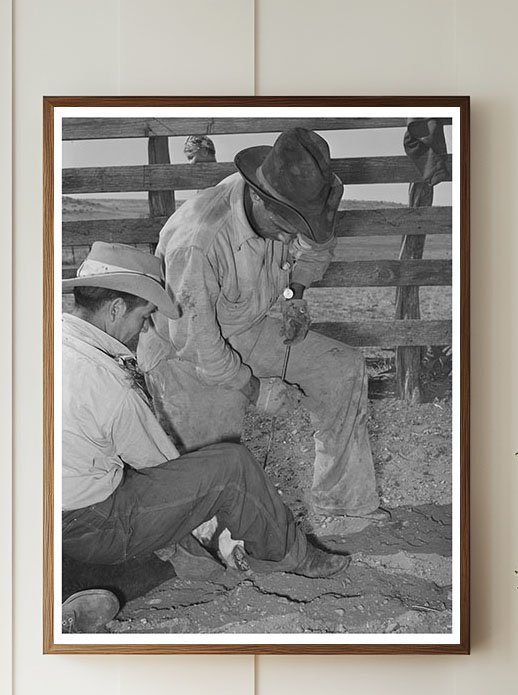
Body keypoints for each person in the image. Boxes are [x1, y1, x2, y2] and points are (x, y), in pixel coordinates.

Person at [60, 241, 350, 633]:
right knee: (230, 466)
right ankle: (292, 556)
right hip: (88, 523)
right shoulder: (108, 381)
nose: (144, 327)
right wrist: (219, 528)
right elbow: (162, 467)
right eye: (143, 315)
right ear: (114, 310)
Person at [138, 127, 387, 530]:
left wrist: (296, 294)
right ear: (257, 195)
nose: (293, 236)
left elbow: (316, 247)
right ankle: (200, 537)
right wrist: (257, 390)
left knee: (342, 368)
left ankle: (343, 506)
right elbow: (199, 345)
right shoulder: (198, 240)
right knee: (218, 461)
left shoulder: (299, 192)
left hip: (247, 326)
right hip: (183, 356)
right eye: (287, 225)